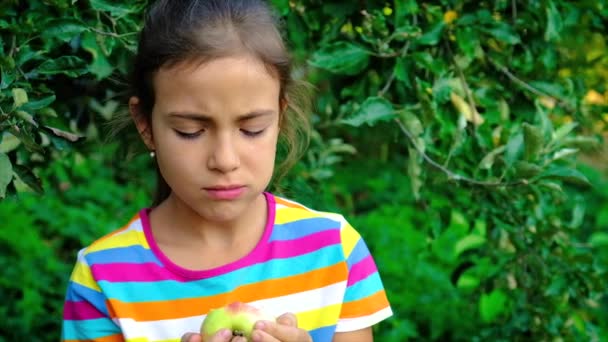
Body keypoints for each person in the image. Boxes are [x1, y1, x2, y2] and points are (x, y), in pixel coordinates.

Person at [61, 0, 392, 341]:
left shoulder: (334, 251)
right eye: (190, 131)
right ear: (145, 125)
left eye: (252, 129)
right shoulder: (104, 279)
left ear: (279, 117)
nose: (224, 159)